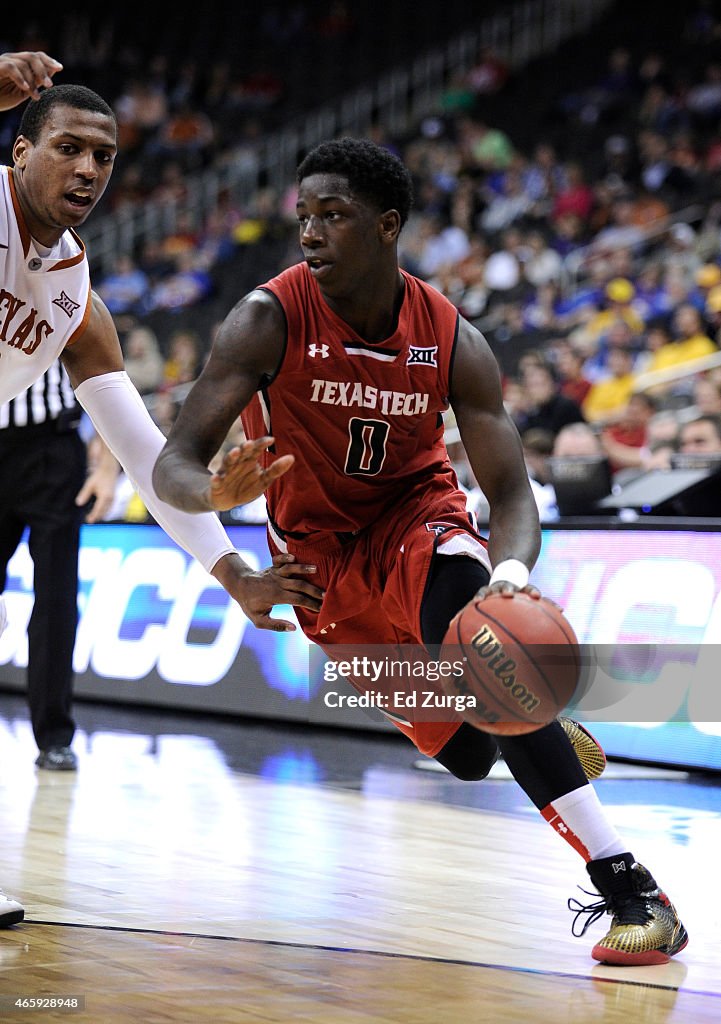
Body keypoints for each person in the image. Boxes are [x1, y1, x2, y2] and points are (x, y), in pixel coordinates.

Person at [154, 137, 687, 966]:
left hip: (417, 520)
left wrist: (506, 580)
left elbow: (510, 494)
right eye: (304, 217)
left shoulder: (450, 336)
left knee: (481, 653)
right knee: (474, 753)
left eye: (333, 216)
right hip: (317, 564)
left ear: (387, 225)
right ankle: (540, 721)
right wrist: (219, 509)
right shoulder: (267, 318)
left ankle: (632, 890)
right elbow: (172, 463)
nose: (311, 234)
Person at [0, 54, 303, 927]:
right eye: (68, 148)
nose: (89, 170)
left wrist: (226, 552)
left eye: (104, 156)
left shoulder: (75, 301)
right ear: (20, 151)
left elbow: (141, 455)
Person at [0, 363, 119, 772]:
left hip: (51, 447)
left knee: (56, 598)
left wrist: (107, 467)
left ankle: (54, 737)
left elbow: (102, 370)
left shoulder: (64, 297)